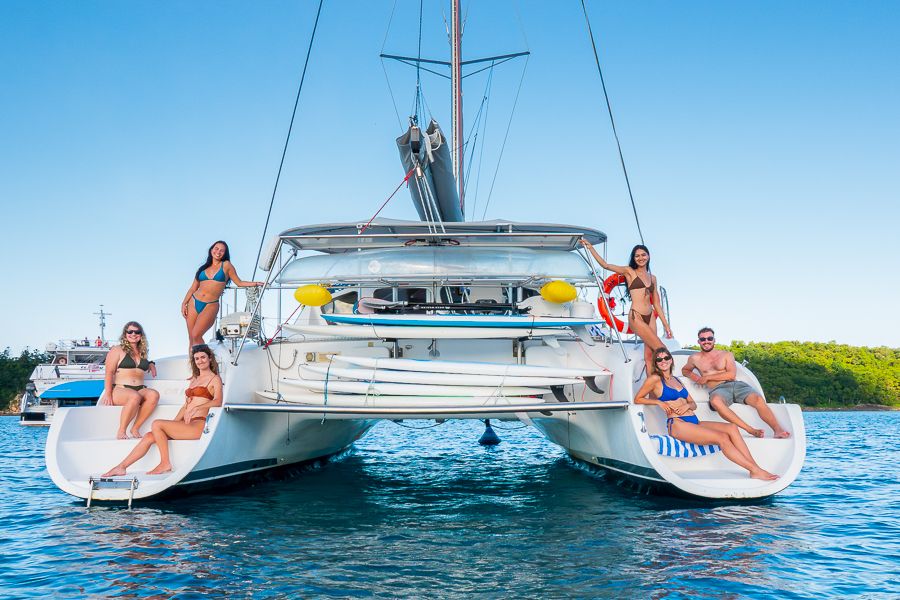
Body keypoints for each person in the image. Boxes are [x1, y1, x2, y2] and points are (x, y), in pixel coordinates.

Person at [635, 347, 778, 481]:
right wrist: (660, 403)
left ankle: (755, 469)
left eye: (666, 358)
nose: (663, 361)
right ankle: (754, 469)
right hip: (678, 424)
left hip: (694, 421)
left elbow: (693, 404)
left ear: (671, 360)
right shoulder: (654, 379)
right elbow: (638, 398)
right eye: (659, 360)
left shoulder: (676, 380)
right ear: (656, 363)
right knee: (722, 438)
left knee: (732, 428)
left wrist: (686, 405)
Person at [102, 345, 223, 477]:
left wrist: (197, 408)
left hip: (198, 425)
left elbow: (218, 401)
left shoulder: (215, 379)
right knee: (149, 436)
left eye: (203, 357)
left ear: (210, 358)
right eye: (197, 358)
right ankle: (121, 467)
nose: (200, 361)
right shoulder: (194, 380)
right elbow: (185, 407)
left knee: (157, 424)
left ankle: (165, 463)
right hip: (187, 424)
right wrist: (173, 424)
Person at [682, 327, 790, 439]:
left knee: (758, 400)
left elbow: (731, 375)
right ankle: (750, 430)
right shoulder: (694, 358)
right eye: (703, 339)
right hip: (718, 390)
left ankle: (778, 430)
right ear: (698, 341)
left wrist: (707, 377)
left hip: (736, 385)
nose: (706, 341)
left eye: (709, 338)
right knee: (715, 401)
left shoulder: (726, 355)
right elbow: (685, 370)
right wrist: (697, 378)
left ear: (714, 340)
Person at [580, 239, 673, 367]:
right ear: (634, 258)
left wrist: (666, 326)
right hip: (637, 316)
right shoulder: (630, 272)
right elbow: (605, 265)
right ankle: (665, 384)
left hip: (650, 317)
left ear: (648, 256)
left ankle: (653, 384)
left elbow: (656, 304)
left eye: (643, 254)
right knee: (662, 350)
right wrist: (590, 248)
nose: (641, 258)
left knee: (649, 355)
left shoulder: (653, 278)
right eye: (637, 256)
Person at [181, 240, 263, 348]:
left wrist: (256, 283)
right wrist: (184, 303)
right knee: (191, 338)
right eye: (216, 248)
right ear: (211, 250)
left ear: (225, 254)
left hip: (210, 305)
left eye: (222, 250)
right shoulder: (202, 268)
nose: (218, 252)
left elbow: (239, 282)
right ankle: (194, 364)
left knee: (196, 335)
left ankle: (208, 362)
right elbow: (192, 288)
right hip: (193, 302)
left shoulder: (226, 265)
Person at [98, 322, 160, 440]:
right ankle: (121, 431)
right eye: (130, 331)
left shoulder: (143, 352)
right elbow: (109, 372)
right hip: (121, 389)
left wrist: (151, 363)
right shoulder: (117, 350)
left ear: (141, 335)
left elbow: (144, 365)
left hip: (139, 389)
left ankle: (135, 428)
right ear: (125, 334)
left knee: (154, 395)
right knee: (134, 397)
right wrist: (108, 393)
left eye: (137, 332)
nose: (133, 334)